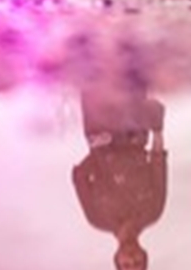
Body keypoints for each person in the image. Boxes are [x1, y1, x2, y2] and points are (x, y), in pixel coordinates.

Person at [72, 80, 168, 270]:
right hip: (133, 129)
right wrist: (157, 129)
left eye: (126, 265)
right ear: (144, 255)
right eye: (138, 263)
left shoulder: (97, 219)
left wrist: (97, 151)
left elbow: (79, 177)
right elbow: (158, 162)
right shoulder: (153, 211)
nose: (131, 258)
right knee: (129, 66)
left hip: (98, 126)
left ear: (117, 259)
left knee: (89, 69)